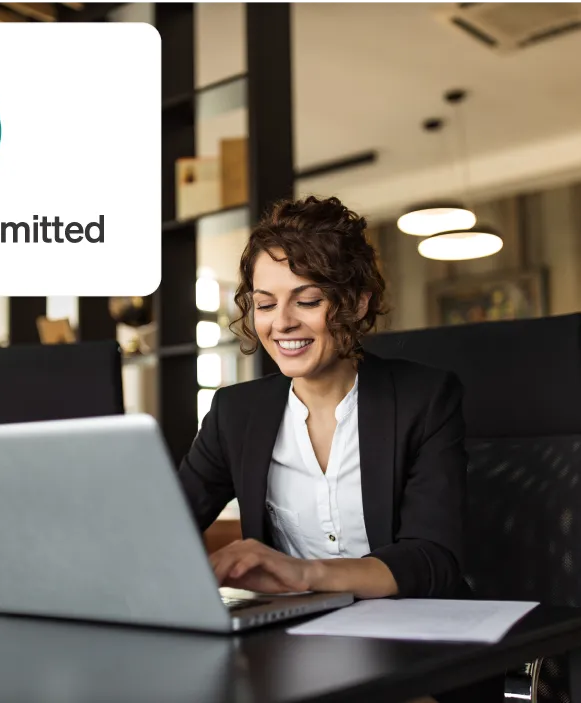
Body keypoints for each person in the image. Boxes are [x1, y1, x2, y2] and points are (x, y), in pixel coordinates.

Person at [176, 195, 500, 703]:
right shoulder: (235, 414)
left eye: (306, 300)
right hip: (292, 654)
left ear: (357, 302)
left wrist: (307, 575)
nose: (280, 322)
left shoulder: (425, 399)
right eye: (264, 304)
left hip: (415, 647)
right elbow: (165, 523)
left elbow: (433, 560)